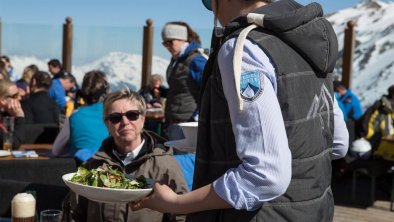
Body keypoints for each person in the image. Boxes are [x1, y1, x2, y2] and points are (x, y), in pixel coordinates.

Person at [130, 0, 349, 221]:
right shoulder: (308, 40)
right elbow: (337, 143)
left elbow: (266, 175)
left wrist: (177, 203)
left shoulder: (243, 48)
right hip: (316, 210)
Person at [71, 89, 188, 222]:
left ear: (143, 119)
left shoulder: (165, 166)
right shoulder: (92, 166)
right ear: (107, 124)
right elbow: (73, 214)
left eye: (132, 115)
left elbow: (182, 216)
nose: (125, 122)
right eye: (115, 117)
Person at [161, 21, 207, 140]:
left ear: (182, 39)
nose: (168, 47)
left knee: (184, 157)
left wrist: (196, 118)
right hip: (175, 121)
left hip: (188, 124)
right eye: (164, 43)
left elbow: (210, 90)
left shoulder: (196, 60)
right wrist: (164, 92)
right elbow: (183, 89)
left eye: (170, 42)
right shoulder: (177, 60)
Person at [52, 70, 110, 164]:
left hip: (79, 168)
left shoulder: (74, 116)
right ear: (105, 92)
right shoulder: (112, 116)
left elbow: (56, 150)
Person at [0, 80, 25, 149]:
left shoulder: (6, 114)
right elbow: (12, 145)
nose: (20, 98)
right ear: (3, 100)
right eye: (16, 95)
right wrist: (20, 116)